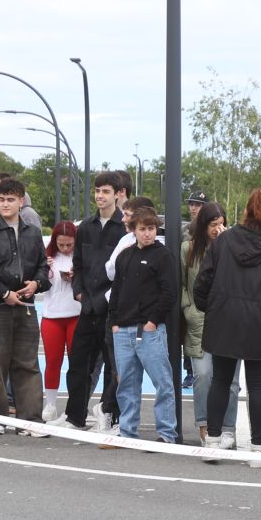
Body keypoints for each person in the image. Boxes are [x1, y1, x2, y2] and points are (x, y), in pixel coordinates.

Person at [195, 188, 261, 467]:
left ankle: (214, 441)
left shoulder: (224, 241)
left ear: (247, 211)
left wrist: (212, 307)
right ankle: (256, 449)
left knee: (220, 380)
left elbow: (202, 282)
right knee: (258, 385)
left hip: (224, 318)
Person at [0, 177, 47, 435]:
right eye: (1, 199)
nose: (5, 204)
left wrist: (36, 283)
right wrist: (4, 293)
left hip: (25, 305)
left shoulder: (33, 232)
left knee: (27, 363)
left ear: (21, 201)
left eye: (10, 199)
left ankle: (30, 420)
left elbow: (42, 267)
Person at [60, 171, 127, 431]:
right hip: (87, 307)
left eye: (106, 191)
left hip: (113, 310)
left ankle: (111, 415)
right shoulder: (85, 227)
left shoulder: (124, 227)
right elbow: (78, 264)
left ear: (118, 194)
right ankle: (74, 417)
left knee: (115, 367)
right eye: (97, 191)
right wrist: (79, 292)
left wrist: (106, 299)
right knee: (78, 364)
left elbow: (122, 272)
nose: (100, 196)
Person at [109, 206, 180, 443]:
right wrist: (114, 323)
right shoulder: (124, 256)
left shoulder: (163, 255)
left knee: (162, 382)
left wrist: (153, 321)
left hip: (149, 330)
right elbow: (116, 291)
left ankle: (167, 433)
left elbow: (169, 293)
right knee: (127, 385)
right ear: (134, 230)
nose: (147, 234)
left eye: (151, 229)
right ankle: (128, 431)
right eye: (142, 229)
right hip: (123, 329)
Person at [182, 202, 238, 446]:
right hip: (199, 319)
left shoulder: (234, 246)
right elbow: (182, 284)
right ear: (202, 225)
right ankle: (204, 424)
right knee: (203, 374)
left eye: (221, 224)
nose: (218, 229)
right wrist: (189, 310)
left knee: (232, 381)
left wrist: (229, 244)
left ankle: (228, 428)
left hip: (228, 320)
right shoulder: (188, 248)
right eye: (213, 225)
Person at [40, 220, 81, 422]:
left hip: (75, 314)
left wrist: (77, 276)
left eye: (69, 244)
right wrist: (44, 271)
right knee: (53, 361)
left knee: (77, 363)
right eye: (61, 244)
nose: (65, 248)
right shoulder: (47, 258)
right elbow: (39, 284)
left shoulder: (81, 257)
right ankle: (50, 404)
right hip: (52, 316)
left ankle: (74, 404)